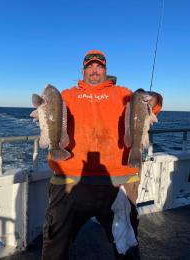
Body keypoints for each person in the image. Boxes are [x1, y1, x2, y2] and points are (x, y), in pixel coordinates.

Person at [41, 50, 163, 260]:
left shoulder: (123, 93)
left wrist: (153, 99)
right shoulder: (67, 95)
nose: (95, 70)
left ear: (105, 70)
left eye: (99, 66)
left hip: (118, 183)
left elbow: (153, 106)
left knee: (126, 243)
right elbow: (50, 114)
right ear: (83, 70)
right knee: (55, 244)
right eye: (90, 66)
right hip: (70, 180)